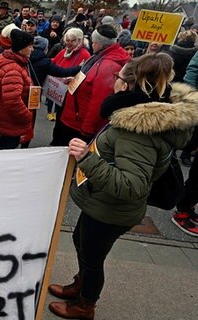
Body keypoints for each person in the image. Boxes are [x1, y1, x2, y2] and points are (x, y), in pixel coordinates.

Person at [49, 53, 198, 319]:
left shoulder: (135, 130)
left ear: (128, 85)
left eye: (117, 77)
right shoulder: (134, 114)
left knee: (92, 258)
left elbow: (132, 186)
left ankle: (85, 305)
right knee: (81, 242)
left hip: (112, 209)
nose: (113, 80)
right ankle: (80, 285)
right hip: (100, 202)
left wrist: (87, 158)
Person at [52, 25, 129, 146]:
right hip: (73, 117)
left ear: (100, 43)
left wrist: (86, 130)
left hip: (78, 124)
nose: (91, 45)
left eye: (93, 42)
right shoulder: (100, 57)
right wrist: (75, 80)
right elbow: (91, 81)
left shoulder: (108, 66)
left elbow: (98, 102)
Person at [0, 29, 34, 150]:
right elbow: (12, 101)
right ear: (21, 48)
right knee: (6, 153)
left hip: (8, 120)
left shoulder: (16, 63)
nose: (32, 49)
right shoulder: (13, 70)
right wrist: (27, 116)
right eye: (30, 46)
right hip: (11, 121)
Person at [45, 28, 90, 121]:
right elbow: (54, 62)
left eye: (72, 41)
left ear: (79, 40)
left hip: (69, 89)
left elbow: (85, 74)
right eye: (67, 40)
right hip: (56, 84)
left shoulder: (85, 54)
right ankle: (50, 112)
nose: (68, 43)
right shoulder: (63, 51)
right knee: (52, 100)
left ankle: (57, 114)